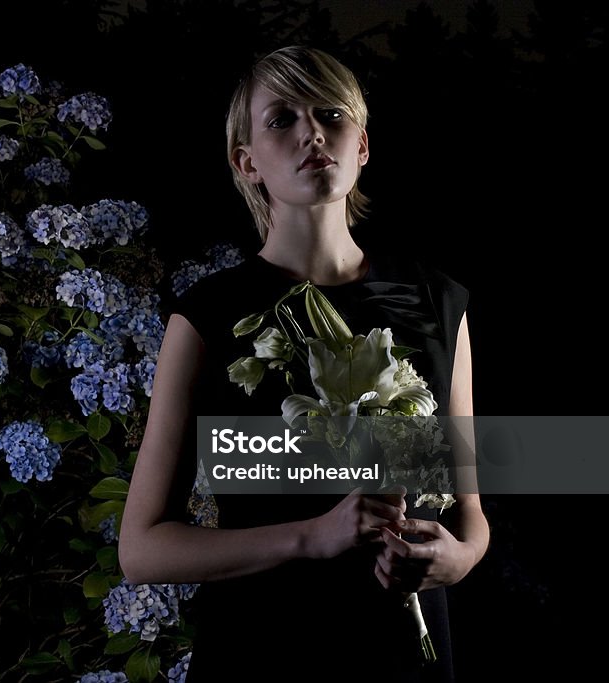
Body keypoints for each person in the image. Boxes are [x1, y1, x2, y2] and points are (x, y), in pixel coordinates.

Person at [118, 46, 489, 681]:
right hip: (264, 647)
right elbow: (143, 548)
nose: (312, 132)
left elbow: (467, 510)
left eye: (331, 113)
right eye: (281, 119)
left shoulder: (437, 301)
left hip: (402, 653)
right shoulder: (207, 317)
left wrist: (457, 560)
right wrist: (312, 537)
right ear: (246, 162)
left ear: (363, 144)